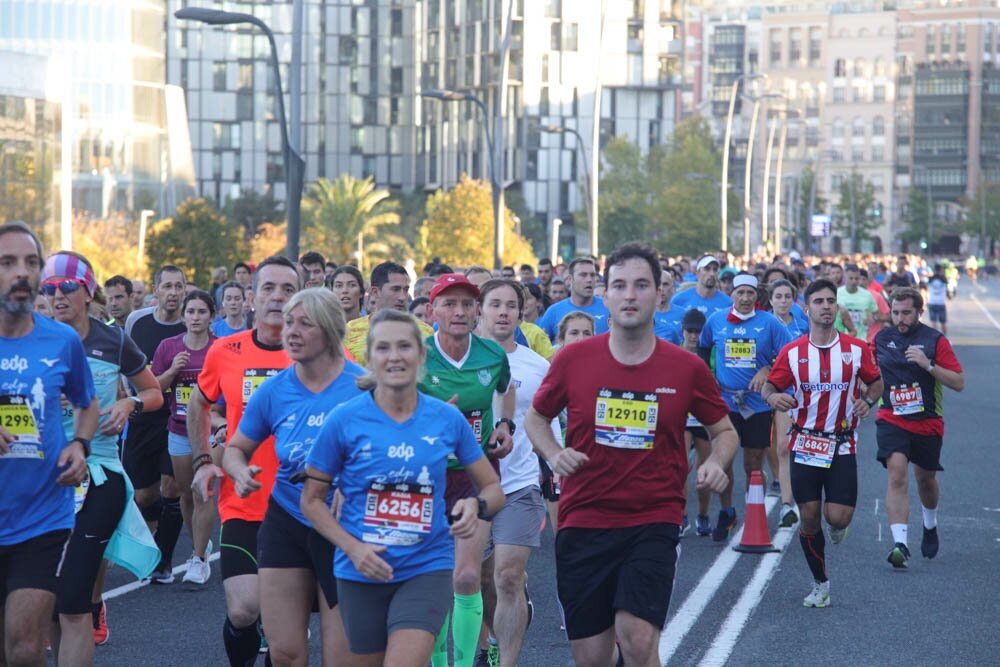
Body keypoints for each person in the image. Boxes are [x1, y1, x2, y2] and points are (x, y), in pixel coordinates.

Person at [524, 242, 737, 667]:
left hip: (653, 519)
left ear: (659, 294)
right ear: (606, 296)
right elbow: (536, 418)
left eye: (641, 285)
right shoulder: (573, 359)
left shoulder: (686, 367)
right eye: (619, 285)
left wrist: (715, 461)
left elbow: (724, 431)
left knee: (637, 640)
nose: (630, 295)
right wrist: (554, 453)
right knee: (592, 657)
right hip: (584, 518)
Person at [301, 309, 504, 667]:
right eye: (383, 348)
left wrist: (476, 506)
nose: (394, 356)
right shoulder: (344, 420)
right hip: (360, 569)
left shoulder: (446, 418)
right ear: (369, 358)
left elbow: (492, 488)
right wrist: (355, 548)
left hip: (427, 566)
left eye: (404, 346)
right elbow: (312, 501)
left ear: (421, 355)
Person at [223, 288, 364, 665]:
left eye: (305, 323)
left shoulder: (363, 387)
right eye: (289, 323)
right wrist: (239, 471)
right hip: (286, 520)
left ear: (332, 330)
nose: (292, 332)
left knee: (342, 658)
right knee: (284, 653)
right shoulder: (274, 391)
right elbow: (235, 448)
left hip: (344, 528)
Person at [42, 251, 163, 661]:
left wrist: (131, 406)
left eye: (67, 287)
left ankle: (94, 606)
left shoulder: (113, 339)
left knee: (74, 596)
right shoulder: (33, 338)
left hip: (101, 472)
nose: (58, 296)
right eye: (49, 288)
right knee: (53, 602)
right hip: (41, 476)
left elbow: (153, 392)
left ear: (88, 289)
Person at [188, 255, 299, 665]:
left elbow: (363, 391)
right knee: (243, 610)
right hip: (242, 501)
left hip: (299, 505)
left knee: (282, 621)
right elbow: (199, 403)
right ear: (251, 298)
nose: (278, 297)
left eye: (288, 289)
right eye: (268, 288)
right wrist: (202, 459)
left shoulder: (319, 352)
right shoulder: (225, 350)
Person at [0, 223, 98, 667]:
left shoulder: (62, 340)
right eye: (8, 263)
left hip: (41, 515)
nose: (22, 272)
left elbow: (87, 401)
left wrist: (80, 443)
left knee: (23, 649)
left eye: (31, 262)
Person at [762, 278, 883, 608]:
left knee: (838, 517)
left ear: (836, 307)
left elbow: (876, 384)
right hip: (806, 443)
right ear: (808, 308)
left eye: (831, 300)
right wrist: (775, 399)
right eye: (819, 301)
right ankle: (820, 583)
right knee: (810, 517)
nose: (826, 306)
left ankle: (837, 527)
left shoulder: (856, 350)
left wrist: (867, 403)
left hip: (842, 444)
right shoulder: (793, 352)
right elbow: (769, 387)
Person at [418, 274, 516, 667]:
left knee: (464, 576)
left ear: (477, 311)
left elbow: (506, 391)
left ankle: (464, 662)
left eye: (466, 304)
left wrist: (504, 426)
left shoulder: (493, 354)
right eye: (449, 303)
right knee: (436, 578)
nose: (458, 312)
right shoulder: (417, 353)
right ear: (432, 310)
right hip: (426, 477)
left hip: (475, 475)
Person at [476, 280, 559, 667]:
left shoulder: (537, 365)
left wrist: (556, 468)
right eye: (495, 304)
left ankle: (505, 662)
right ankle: (484, 647)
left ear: (522, 311)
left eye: (512, 305)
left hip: (520, 483)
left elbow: (549, 424)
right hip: (468, 486)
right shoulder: (458, 360)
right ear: (481, 309)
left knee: (507, 577)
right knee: (473, 580)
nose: (504, 312)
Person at [873, 287, 964, 569]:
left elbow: (958, 382)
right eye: (895, 312)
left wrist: (929, 365)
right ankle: (900, 543)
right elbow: (864, 372)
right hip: (891, 417)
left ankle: (930, 523)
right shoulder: (881, 339)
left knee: (925, 480)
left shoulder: (935, 340)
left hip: (927, 421)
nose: (900, 319)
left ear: (919, 312)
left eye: (906, 313)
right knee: (897, 475)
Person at [698, 273, 792, 542]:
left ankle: (755, 512)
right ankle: (727, 511)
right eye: (741, 293)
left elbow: (788, 355)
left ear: (756, 296)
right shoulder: (716, 320)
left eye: (751, 293)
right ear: (732, 294)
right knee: (723, 458)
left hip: (757, 405)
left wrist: (768, 369)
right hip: (725, 401)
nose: (746, 298)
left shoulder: (769, 323)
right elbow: (703, 348)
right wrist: (709, 379)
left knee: (753, 462)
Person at [123, 265, 188, 583]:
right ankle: (154, 538)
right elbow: (127, 365)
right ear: (156, 290)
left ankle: (163, 560)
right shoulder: (138, 320)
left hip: (177, 418)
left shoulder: (192, 323)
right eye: (168, 286)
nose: (173, 293)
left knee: (172, 486)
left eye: (179, 286)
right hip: (143, 415)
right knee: (144, 495)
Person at [151, 290, 219, 586]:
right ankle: (200, 544)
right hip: (178, 428)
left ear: (211, 317)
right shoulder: (168, 347)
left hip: (211, 429)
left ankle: (198, 557)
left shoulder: (220, 348)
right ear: (183, 316)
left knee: (204, 488)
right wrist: (172, 370)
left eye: (201, 312)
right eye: (190, 312)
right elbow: (153, 388)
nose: (195, 317)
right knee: (185, 491)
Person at [767, 278, 809, 527]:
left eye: (787, 296)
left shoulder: (802, 324)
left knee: (787, 447)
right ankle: (783, 500)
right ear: (770, 300)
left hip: (795, 393)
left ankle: (789, 503)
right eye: (778, 296)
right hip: (763, 392)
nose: (783, 301)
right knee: (769, 448)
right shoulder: (761, 323)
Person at [345, 261, 433, 366]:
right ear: (375, 292)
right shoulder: (350, 331)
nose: (402, 297)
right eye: (395, 289)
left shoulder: (425, 332)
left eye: (405, 290)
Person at [677, 308, 715, 537]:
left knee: (704, 470)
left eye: (698, 332)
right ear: (683, 331)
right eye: (690, 331)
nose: (693, 336)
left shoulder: (708, 355)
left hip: (704, 417)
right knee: (680, 467)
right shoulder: (674, 353)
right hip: (682, 417)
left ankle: (703, 515)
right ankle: (681, 517)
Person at [537, 257, 609, 341]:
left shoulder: (608, 307)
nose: (589, 280)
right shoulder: (553, 312)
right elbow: (540, 349)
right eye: (583, 275)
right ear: (570, 279)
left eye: (592, 275)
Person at [835, 264, 878, 341]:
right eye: (851, 278)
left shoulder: (867, 295)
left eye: (856, 278)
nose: (854, 281)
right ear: (845, 277)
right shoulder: (837, 293)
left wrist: (873, 318)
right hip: (842, 339)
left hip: (862, 339)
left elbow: (876, 313)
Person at [925, 264, 948, 335]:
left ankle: (935, 338)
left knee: (934, 322)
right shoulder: (943, 279)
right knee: (943, 322)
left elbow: (927, 287)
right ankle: (945, 338)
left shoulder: (931, 279)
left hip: (932, 301)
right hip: (941, 302)